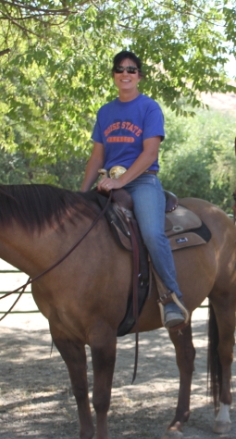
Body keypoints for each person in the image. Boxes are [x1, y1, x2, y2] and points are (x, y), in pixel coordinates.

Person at [81, 50, 187, 330]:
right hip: (108, 180)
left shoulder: (149, 108)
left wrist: (122, 180)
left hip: (142, 181)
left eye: (131, 69)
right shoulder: (105, 112)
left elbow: (150, 154)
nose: (125, 74)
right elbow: (96, 157)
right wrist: (81, 193)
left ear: (139, 76)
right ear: (114, 75)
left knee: (152, 233)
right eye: (120, 69)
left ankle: (171, 298)